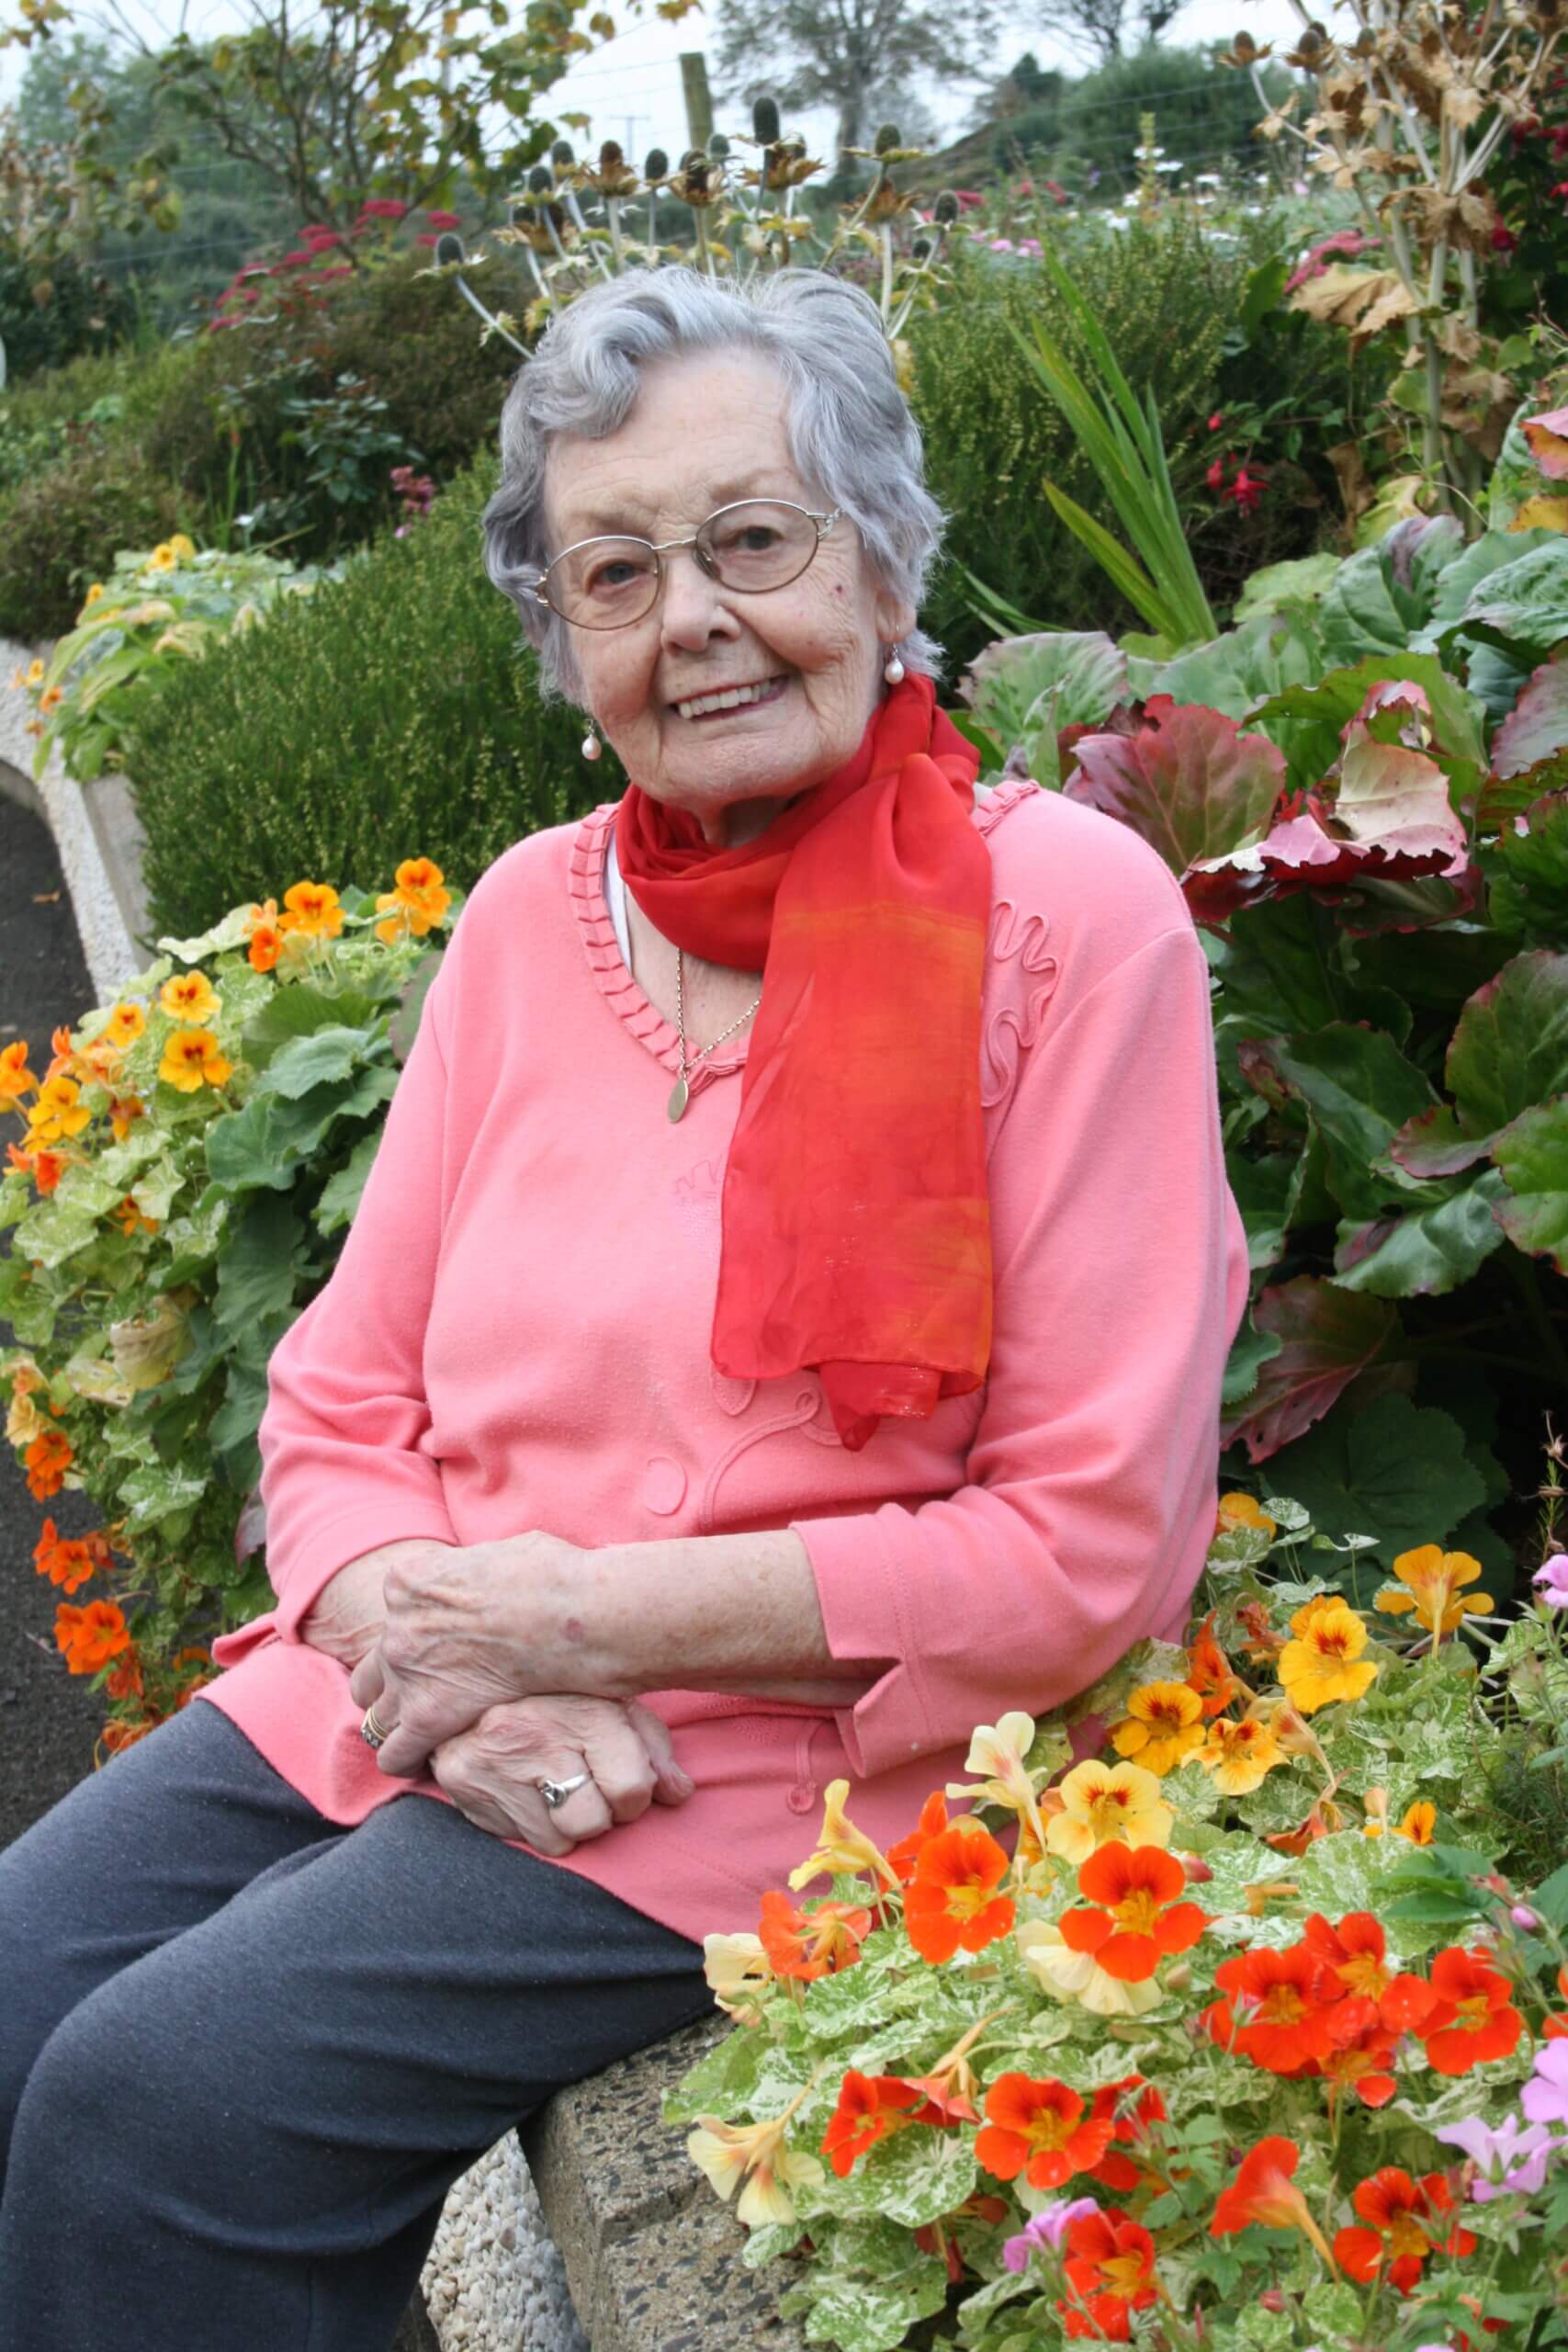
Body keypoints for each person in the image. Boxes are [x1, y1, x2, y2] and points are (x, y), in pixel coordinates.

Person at [0, 266, 1248, 2350]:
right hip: (432, 1684)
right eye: (614, 569)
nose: (692, 616)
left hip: (793, 1756)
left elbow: (1083, 1548)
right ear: (563, 639)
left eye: (750, 539)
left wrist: (576, 1625)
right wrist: (459, 1654)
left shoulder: (1065, 919)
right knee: (19, 1983)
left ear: (877, 555)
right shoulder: (524, 914)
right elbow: (335, 1399)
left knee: (164, 2107)